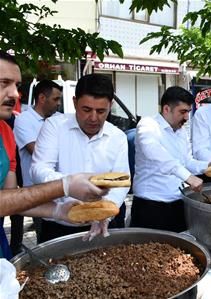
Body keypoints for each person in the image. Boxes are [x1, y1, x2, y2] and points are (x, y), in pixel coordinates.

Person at [0, 50, 107, 260]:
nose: (15, 94)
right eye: (4, 83)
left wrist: (58, 211)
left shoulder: (5, 133)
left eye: (17, 86)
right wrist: (64, 185)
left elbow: (11, 198)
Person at [30, 74, 130, 243]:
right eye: (86, 109)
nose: (93, 118)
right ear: (75, 102)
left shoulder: (117, 136)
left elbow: (121, 180)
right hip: (58, 224)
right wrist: (69, 185)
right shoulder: (55, 126)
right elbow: (38, 169)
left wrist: (105, 212)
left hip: (103, 223)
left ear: (110, 106)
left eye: (101, 111)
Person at [131, 86, 211, 232]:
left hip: (178, 203)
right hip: (150, 206)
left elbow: (186, 161)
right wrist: (188, 177)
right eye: (182, 112)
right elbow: (155, 153)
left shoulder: (181, 132)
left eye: (188, 112)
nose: (186, 117)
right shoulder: (148, 125)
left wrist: (208, 166)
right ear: (166, 109)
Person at [13, 79, 62, 243]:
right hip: (37, 193)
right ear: (42, 98)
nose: (59, 104)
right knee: (46, 241)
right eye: (55, 99)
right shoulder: (24, 120)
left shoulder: (59, 120)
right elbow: (37, 151)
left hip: (59, 189)